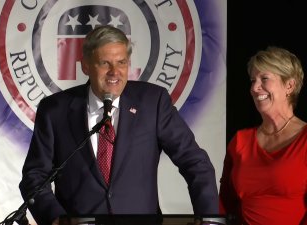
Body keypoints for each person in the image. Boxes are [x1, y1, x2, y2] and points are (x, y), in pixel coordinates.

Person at [19, 25, 219, 225]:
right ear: (86, 66)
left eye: (121, 62)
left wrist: (209, 219)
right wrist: (56, 219)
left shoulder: (153, 103)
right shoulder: (55, 110)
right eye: (105, 63)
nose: (114, 72)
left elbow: (195, 162)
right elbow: (34, 176)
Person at [219, 46, 307, 225]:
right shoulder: (240, 140)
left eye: (264, 79)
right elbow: (224, 204)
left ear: (289, 85)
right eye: (252, 80)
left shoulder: (304, 139)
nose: (255, 88)